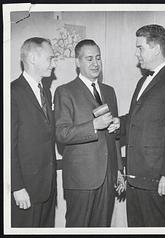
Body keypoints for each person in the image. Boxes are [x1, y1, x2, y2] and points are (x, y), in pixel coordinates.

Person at [119, 24, 165, 227]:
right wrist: (120, 123)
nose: (136, 53)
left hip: (157, 181)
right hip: (135, 178)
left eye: (140, 47)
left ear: (156, 48)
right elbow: (136, 119)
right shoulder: (143, 81)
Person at [54, 39, 123, 227]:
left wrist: (118, 169)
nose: (95, 63)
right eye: (89, 59)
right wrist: (93, 125)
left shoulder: (109, 91)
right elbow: (61, 133)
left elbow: (113, 137)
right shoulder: (65, 91)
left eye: (98, 58)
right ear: (77, 62)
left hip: (108, 177)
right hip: (81, 180)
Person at [11, 37, 57, 227]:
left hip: (47, 188)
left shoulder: (45, 91)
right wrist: (17, 186)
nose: (53, 65)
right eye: (50, 59)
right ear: (32, 58)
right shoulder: (12, 92)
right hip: (26, 190)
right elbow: (8, 145)